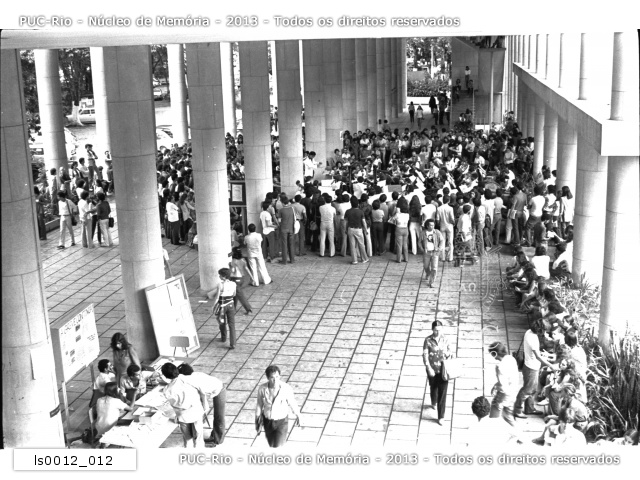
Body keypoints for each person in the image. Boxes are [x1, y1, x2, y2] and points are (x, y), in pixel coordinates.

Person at [514, 318, 556, 419]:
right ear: (540, 329)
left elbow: (535, 353)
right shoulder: (532, 338)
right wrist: (550, 365)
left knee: (533, 389)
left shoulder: (529, 332)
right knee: (527, 390)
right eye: (544, 330)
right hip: (531, 367)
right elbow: (538, 356)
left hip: (531, 365)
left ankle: (529, 408)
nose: (545, 333)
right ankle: (517, 409)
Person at [178, 363, 227, 446]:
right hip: (212, 388)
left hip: (219, 389)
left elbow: (203, 398)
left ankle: (217, 440)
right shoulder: (192, 375)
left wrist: (203, 410)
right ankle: (211, 435)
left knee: (219, 416)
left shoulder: (193, 381)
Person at [255, 365, 302, 448]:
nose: (275, 380)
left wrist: (299, 415)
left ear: (279, 376)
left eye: (277, 377)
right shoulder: (262, 389)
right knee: (271, 444)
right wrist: (257, 420)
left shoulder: (286, 388)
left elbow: (292, 402)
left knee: (278, 445)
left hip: (281, 422)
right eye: (272, 377)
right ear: (268, 378)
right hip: (268, 421)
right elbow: (259, 404)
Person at [161, 362, 205, 448]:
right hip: (196, 410)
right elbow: (200, 390)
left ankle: (187, 451)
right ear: (176, 370)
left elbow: (171, 405)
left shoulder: (167, 390)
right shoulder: (187, 379)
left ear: (165, 376)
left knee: (187, 438)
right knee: (198, 436)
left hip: (183, 415)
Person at [423, 320, 453, 425]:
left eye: (440, 330)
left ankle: (441, 416)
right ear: (432, 330)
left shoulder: (446, 339)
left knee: (443, 393)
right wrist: (428, 368)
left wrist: (448, 354)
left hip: (444, 370)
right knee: (433, 387)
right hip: (432, 369)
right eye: (436, 330)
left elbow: (451, 352)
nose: (438, 332)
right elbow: (425, 355)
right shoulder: (428, 340)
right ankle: (433, 402)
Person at [487, 342, 518, 426]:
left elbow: (503, 387)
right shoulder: (511, 358)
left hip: (505, 394)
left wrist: (499, 400)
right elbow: (509, 378)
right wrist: (495, 385)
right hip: (513, 392)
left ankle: (493, 427)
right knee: (508, 417)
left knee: (494, 412)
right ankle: (517, 432)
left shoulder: (500, 367)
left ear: (495, 353)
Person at [213, 268, 237, 349]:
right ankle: (233, 343)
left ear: (223, 276)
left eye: (220, 275)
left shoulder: (220, 285)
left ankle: (223, 338)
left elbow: (217, 297)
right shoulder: (233, 284)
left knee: (222, 322)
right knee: (232, 324)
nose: (219, 276)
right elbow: (234, 294)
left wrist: (213, 306)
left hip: (222, 306)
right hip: (231, 305)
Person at [344, 196, 369, 265]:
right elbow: (364, 222)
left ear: (351, 203)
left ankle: (354, 260)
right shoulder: (361, 212)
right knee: (361, 244)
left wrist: (346, 229)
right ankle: (364, 258)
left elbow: (346, 222)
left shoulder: (347, 211)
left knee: (352, 245)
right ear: (358, 204)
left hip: (350, 229)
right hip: (359, 230)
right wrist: (366, 230)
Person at [421, 219, 443, 288]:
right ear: (427, 226)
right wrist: (422, 250)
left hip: (434, 252)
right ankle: (428, 274)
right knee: (426, 266)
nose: (432, 226)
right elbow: (419, 242)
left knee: (434, 268)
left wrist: (439, 248)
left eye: (433, 225)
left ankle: (431, 282)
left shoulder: (437, 232)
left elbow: (442, 240)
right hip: (426, 252)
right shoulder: (423, 233)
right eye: (431, 225)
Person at [276, 194, 296, 264]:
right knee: (291, 244)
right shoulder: (292, 209)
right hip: (291, 228)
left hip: (284, 229)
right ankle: (292, 260)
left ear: (282, 203)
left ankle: (284, 261)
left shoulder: (281, 210)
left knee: (284, 245)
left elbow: (279, 221)